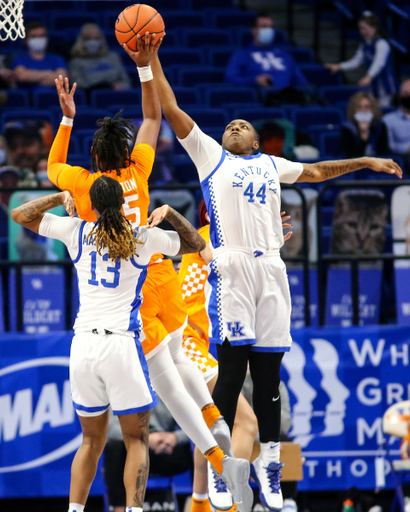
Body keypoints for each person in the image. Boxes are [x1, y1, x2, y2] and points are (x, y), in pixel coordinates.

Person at [150, 47, 402, 511]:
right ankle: (225, 468)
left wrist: (365, 161)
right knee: (230, 376)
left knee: (269, 379)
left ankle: (269, 466)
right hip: (232, 269)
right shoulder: (210, 157)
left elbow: (321, 172)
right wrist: (152, 61)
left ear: (258, 142)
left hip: (272, 269)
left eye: (243, 126)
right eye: (229, 125)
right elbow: (171, 109)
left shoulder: (272, 165)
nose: (234, 127)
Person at [47, 34, 253, 512]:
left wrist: (66, 119)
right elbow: (153, 117)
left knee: (164, 374)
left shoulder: (84, 185)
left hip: (128, 293)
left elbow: (55, 164)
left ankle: (216, 454)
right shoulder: (139, 170)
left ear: (96, 163)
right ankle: (215, 431)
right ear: (126, 155)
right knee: (177, 363)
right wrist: (144, 67)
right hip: (159, 271)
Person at [10, 175, 205, 512]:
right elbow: (195, 244)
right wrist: (170, 213)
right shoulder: (142, 237)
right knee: (135, 439)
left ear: (94, 204)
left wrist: (59, 197)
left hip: (83, 345)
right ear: (123, 203)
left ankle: (74, 510)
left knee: (90, 441)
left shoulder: (76, 231)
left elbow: (20, 215)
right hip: (120, 346)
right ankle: (132, 510)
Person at [105, 396, 194, 512]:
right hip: (132, 450)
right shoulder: (121, 389)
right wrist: (143, 438)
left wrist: (175, 438)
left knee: (198, 448)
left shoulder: (169, 388)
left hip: (164, 448)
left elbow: (195, 424)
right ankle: (120, 509)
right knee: (113, 447)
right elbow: (109, 428)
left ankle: (202, 501)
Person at [225, 13, 308, 106]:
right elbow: (230, 78)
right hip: (262, 100)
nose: (268, 30)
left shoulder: (284, 55)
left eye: (270, 27)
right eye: (264, 27)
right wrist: (254, 80)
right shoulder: (241, 54)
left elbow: (300, 80)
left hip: (287, 99)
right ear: (254, 30)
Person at [325, 11, 398, 107]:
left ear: (374, 28)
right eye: (360, 29)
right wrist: (339, 66)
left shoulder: (382, 44)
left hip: (385, 84)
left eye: (365, 29)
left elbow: (379, 63)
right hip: (373, 84)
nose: (362, 32)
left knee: (382, 109)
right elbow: (356, 61)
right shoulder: (364, 45)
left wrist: (369, 76)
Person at [69, 23, 131, 97]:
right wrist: (101, 86)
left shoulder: (113, 57)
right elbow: (78, 85)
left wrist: (120, 86)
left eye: (96, 38)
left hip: (116, 96)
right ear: (81, 41)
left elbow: (126, 81)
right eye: (88, 39)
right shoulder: (75, 62)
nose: (93, 42)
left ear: (101, 39)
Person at [11, 21, 67, 90]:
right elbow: (22, 76)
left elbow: (63, 79)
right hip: (29, 97)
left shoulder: (57, 59)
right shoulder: (18, 59)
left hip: (54, 97)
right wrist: (51, 74)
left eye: (41, 36)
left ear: (47, 39)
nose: (38, 39)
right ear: (25, 40)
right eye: (33, 36)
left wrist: (32, 79)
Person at [341, 91, 389, 158]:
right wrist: (363, 138)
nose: (363, 110)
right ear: (354, 110)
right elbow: (350, 157)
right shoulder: (347, 128)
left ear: (373, 110)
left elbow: (384, 154)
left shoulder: (380, 127)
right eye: (359, 107)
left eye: (367, 107)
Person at [383, 79, 410, 172]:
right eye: (406, 94)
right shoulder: (388, 120)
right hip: (400, 163)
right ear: (400, 95)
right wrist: (407, 149)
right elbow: (389, 145)